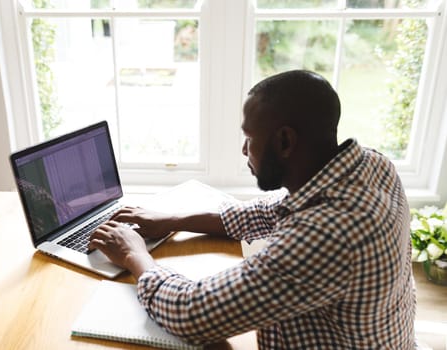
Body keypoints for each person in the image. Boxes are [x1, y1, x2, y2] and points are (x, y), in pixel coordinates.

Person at [88, 70, 416, 349]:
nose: (243, 149)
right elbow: (268, 212)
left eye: (248, 137)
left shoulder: (326, 235)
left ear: (285, 142)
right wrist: (173, 220)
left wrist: (132, 253)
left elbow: (190, 313)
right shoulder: (372, 166)